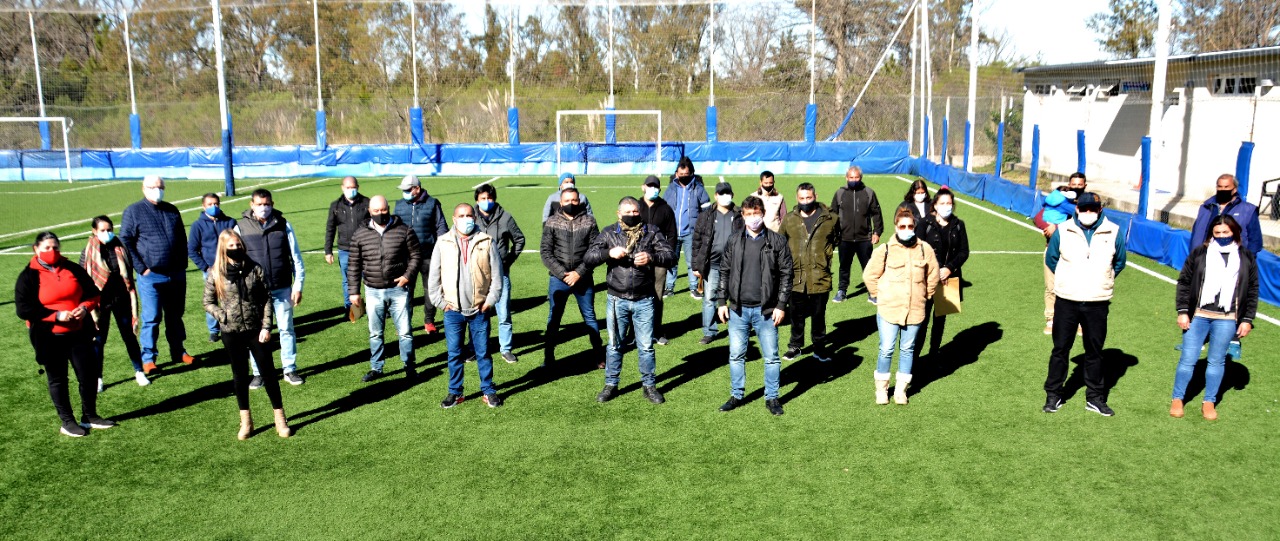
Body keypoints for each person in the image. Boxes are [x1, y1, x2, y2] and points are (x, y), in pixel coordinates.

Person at [16, 232, 116, 437]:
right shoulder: (28, 276)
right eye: (46, 248)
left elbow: (93, 293)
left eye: (55, 247)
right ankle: (67, 422)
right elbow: (24, 309)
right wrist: (56, 316)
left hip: (79, 333)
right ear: (36, 250)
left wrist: (85, 308)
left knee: (88, 375)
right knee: (58, 379)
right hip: (49, 337)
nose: (51, 252)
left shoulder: (72, 268)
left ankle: (89, 416)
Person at [1043, 192, 1127, 416]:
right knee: (1060, 349)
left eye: (1092, 209)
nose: (1087, 213)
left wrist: (1102, 280)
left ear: (1100, 210)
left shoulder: (1114, 232)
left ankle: (1095, 397)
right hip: (1067, 300)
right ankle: (1053, 394)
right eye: (1083, 208)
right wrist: (1067, 280)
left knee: (1095, 351)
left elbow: (1119, 262)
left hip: (1097, 302)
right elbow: (1052, 259)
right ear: (1077, 209)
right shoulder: (1063, 230)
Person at [584, 197, 675, 404]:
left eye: (635, 212)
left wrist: (651, 257)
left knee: (645, 346)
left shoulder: (651, 231)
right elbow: (589, 257)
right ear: (619, 214)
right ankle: (611, 384)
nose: (632, 215)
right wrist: (609, 253)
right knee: (614, 345)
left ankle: (649, 386)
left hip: (644, 299)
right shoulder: (609, 232)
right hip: (617, 299)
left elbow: (670, 255)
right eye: (628, 212)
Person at [203, 230, 291, 439]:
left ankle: (280, 419)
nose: (236, 249)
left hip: (255, 330)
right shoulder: (215, 273)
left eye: (238, 245)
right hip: (231, 332)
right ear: (223, 249)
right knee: (239, 375)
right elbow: (208, 302)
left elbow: (267, 298)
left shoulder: (255, 269)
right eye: (231, 246)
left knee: (268, 373)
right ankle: (246, 422)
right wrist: (221, 316)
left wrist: (266, 327)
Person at [1172, 215, 1258, 420]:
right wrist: (1183, 311)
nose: (1221, 237)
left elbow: (1253, 289)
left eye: (1226, 233)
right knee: (1188, 359)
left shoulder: (1246, 256)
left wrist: (1247, 319)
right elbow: (1184, 282)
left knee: (1217, 361)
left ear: (1235, 232)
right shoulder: (1200, 253)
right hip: (1198, 315)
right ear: (1211, 233)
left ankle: (1209, 401)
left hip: (1227, 318)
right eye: (1217, 233)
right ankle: (1177, 398)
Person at [715, 196, 793, 416]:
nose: (752, 218)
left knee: (771, 356)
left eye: (756, 213)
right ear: (743, 215)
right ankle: (736, 395)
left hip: (766, 311)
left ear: (763, 213)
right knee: (736, 355)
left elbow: (787, 274)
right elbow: (724, 271)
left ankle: (772, 397)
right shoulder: (734, 240)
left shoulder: (777, 241)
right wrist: (722, 301)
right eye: (748, 214)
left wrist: (780, 305)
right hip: (738, 309)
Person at [429, 203, 504, 408]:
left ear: (475, 218)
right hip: (452, 311)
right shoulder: (442, 242)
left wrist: (489, 302)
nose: (465, 219)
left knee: (483, 353)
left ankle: (488, 391)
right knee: (454, 354)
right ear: (454, 219)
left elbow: (497, 277)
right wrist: (442, 304)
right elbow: (433, 278)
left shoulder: (486, 241)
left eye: (469, 215)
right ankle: (455, 392)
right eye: (461, 215)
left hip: (479, 310)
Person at [864, 207, 939, 406]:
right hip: (889, 309)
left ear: (915, 227)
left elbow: (933, 276)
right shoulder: (885, 249)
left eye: (910, 226)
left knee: (907, 349)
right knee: (887, 349)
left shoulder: (925, 249)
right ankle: (881, 389)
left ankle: (901, 390)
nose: (907, 229)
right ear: (896, 227)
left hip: (915, 310)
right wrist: (879, 296)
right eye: (902, 226)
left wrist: (926, 295)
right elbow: (869, 275)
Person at [119, 175, 193, 374]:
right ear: (143, 188)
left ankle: (178, 351)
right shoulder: (133, 211)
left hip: (176, 274)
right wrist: (141, 268)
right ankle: (149, 358)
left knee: (175, 316)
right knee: (151, 317)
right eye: (153, 187)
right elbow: (125, 240)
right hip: (151, 276)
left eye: (160, 187)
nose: (157, 190)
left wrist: (182, 264)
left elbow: (181, 238)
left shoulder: (172, 210)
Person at [235, 189, 306, 387]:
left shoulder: (283, 224)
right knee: (256, 332)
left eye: (267, 204)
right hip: (254, 292)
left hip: (281, 287)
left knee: (286, 329)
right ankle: (259, 373)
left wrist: (297, 285)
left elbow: (296, 258)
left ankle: (290, 369)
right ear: (252, 205)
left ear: (272, 204)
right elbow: (235, 260)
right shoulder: (241, 226)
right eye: (259, 204)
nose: (263, 208)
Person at [348, 195, 421, 382]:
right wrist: (353, 291)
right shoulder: (360, 234)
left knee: (404, 332)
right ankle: (377, 367)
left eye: (383, 210)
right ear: (370, 212)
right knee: (375, 333)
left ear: (388, 208)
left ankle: (409, 366)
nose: (380, 214)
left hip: (398, 290)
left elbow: (416, 255)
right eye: (376, 211)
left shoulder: (404, 230)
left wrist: (407, 276)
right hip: (372, 291)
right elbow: (354, 264)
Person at [541, 187, 604, 368]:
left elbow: (596, 251)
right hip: (558, 280)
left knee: (590, 317)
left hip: (583, 279)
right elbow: (546, 253)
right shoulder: (552, 222)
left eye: (574, 200)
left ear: (579, 201)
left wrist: (579, 272)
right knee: (554, 319)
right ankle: (549, 357)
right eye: (567, 200)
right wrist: (562, 274)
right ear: (561, 202)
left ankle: (599, 355)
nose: (570, 203)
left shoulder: (589, 221)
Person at [81, 216, 147, 388]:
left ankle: (139, 371)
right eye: (102, 230)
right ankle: (98, 378)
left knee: (129, 336)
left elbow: (128, 271)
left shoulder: (120, 246)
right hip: (99, 302)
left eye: (109, 229)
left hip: (121, 298)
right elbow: (83, 276)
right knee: (99, 339)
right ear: (94, 231)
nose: (107, 233)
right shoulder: (88, 251)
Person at [779, 182, 839, 362]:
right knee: (796, 315)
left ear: (816, 196)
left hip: (820, 276)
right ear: (797, 198)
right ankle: (795, 346)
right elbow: (781, 243)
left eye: (809, 198)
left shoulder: (831, 219)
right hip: (796, 277)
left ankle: (819, 348)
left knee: (818, 316)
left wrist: (824, 258)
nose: (805, 201)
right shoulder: (789, 219)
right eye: (802, 198)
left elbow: (836, 239)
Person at [913, 187, 969, 357]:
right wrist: (937, 269)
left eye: (949, 203)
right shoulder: (924, 224)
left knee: (941, 319)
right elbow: (919, 249)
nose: (946, 206)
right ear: (935, 205)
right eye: (943, 203)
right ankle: (914, 357)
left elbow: (964, 251)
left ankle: (933, 353)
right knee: (921, 320)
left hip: (948, 279)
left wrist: (949, 268)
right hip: (927, 278)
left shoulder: (959, 225)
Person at [474, 183, 525, 363]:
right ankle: (479, 348)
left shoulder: (506, 217)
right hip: (478, 276)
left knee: (503, 313)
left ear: (494, 199)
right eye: (482, 199)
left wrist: (509, 260)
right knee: (479, 314)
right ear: (477, 201)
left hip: (500, 274)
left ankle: (506, 348)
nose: (486, 202)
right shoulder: (471, 218)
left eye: (489, 198)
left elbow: (519, 240)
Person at [394, 174, 448, 334]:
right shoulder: (399, 205)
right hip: (407, 257)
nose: (404, 192)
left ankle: (429, 321)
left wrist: (442, 249)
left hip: (429, 255)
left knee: (430, 289)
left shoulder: (432, 204)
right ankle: (405, 323)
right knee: (405, 291)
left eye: (407, 189)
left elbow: (441, 227)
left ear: (416, 189)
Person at [1033, 173, 1087, 335]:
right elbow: (1038, 217)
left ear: (1085, 185)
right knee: (1051, 286)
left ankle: (1079, 322)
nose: (1076, 187)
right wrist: (1047, 226)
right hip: (1053, 249)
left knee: (1077, 287)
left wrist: (1057, 227)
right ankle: (1051, 320)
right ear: (1069, 185)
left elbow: (1084, 222)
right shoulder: (1062, 200)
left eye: (1079, 185)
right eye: (1073, 184)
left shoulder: (1088, 203)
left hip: (1077, 251)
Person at [692, 182, 744, 344]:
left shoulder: (739, 214)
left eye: (727, 193)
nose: (724, 196)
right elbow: (697, 240)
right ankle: (709, 331)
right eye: (721, 193)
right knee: (709, 298)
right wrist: (696, 265)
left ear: (732, 195)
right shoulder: (706, 215)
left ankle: (736, 328)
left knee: (736, 297)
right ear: (715, 196)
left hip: (734, 264)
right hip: (712, 265)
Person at [830, 165, 883, 303]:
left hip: (864, 238)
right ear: (846, 178)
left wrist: (877, 232)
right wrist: (834, 235)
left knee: (868, 267)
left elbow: (876, 214)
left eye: (856, 177)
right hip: (844, 239)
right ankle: (842, 291)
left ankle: (872, 293)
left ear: (861, 178)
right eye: (851, 177)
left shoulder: (868, 193)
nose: (854, 180)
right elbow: (832, 215)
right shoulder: (839, 193)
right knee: (844, 267)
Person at [188, 192, 236, 342]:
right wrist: (205, 267)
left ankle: (233, 325)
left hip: (230, 268)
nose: (213, 207)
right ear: (204, 206)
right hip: (211, 270)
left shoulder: (230, 222)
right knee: (212, 300)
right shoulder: (198, 225)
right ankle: (214, 330)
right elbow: (192, 249)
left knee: (233, 298)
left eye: (216, 204)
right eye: (210, 204)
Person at [663, 156, 711, 298]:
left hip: (692, 233)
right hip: (672, 232)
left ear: (691, 174)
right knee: (672, 261)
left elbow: (707, 212)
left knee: (692, 263)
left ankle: (694, 288)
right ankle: (669, 288)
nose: (683, 176)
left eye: (686, 174)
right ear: (676, 173)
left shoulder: (699, 189)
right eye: (680, 174)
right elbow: (665, 208)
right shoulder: (671, 188)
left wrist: (702, 230)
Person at [638, 175, 677, 345]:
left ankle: (656, 330)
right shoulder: (636, 206)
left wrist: (667, 256)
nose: (653, 188)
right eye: (650, 185)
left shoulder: (665, 209)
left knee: (657, 296)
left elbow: (672, 235)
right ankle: (636, 332)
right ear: (643, 187)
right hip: (638, 260)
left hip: (658, 261)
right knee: (637, 295)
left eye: (656, 186)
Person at [324, 176, 370, 312]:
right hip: (345, 249)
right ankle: (351, 309)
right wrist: (328, 250)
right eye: (348, 188)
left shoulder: (367, 203)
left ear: (358, 187)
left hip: (365, 248)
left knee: (369, 278)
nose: (351, 190)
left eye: (353, 187)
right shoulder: (336, 205)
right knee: (347, 280)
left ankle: (373, 307)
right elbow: (330, 228)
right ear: (342, 188)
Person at [1189, 174, 1263, 254]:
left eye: (1226, 187)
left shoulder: (1248, 210)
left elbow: (1255, 240)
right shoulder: (1205, 208)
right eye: (1219, 186)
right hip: (1204, 257)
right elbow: (1196, 234)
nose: (1222, 189)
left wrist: (1247, 260)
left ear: (1234, 189)